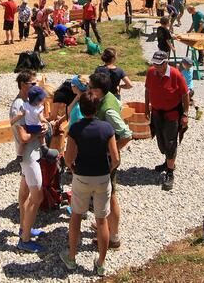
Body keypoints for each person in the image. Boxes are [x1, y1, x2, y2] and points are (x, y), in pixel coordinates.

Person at [61, 90, 119, 275]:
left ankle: (71, 258)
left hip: (82, 176)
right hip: (102, 177)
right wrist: (108, 170)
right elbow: (116, 158)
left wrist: (72, 169)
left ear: (81, 107)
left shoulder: (76, 128)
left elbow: (68, 157)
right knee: (101, 221)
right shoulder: (107, 128)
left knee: (76, 216)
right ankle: (101, 263)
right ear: (97, 107)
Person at [89, 71, 132, 249]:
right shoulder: (110, 97)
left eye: (91, 88)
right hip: (103, 157)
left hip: (107, 159)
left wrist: (111, 152)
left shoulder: (107, 109)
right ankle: (105, 225)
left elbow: (127, 134)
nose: (88, 90)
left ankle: (113, 237)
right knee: (103, 195)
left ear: (99, 91)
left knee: (111, 196)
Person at [144, 51, 191, 191]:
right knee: (161, 142)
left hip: (172, 115)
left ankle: (170, 173)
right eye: (154, 63)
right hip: (157, 113)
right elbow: (147, 90)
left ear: (166, 62)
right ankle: (168, 161)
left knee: (170, 142)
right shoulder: (151, 72)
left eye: (158, 64)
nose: (155, 66)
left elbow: (185, 95)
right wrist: (147, 107)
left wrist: (186, 114)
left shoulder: (176, 75)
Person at [11, 71, 46, 253]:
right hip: (28, 157)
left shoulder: (28, 103)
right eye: (33, 84)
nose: (36, 86)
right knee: (37, 197)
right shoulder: (19, 106)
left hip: (32, 153)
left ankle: (25, 227)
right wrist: (40, 133)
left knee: (24, 193)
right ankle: (24, 240)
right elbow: (23, 136)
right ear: (23, 85)